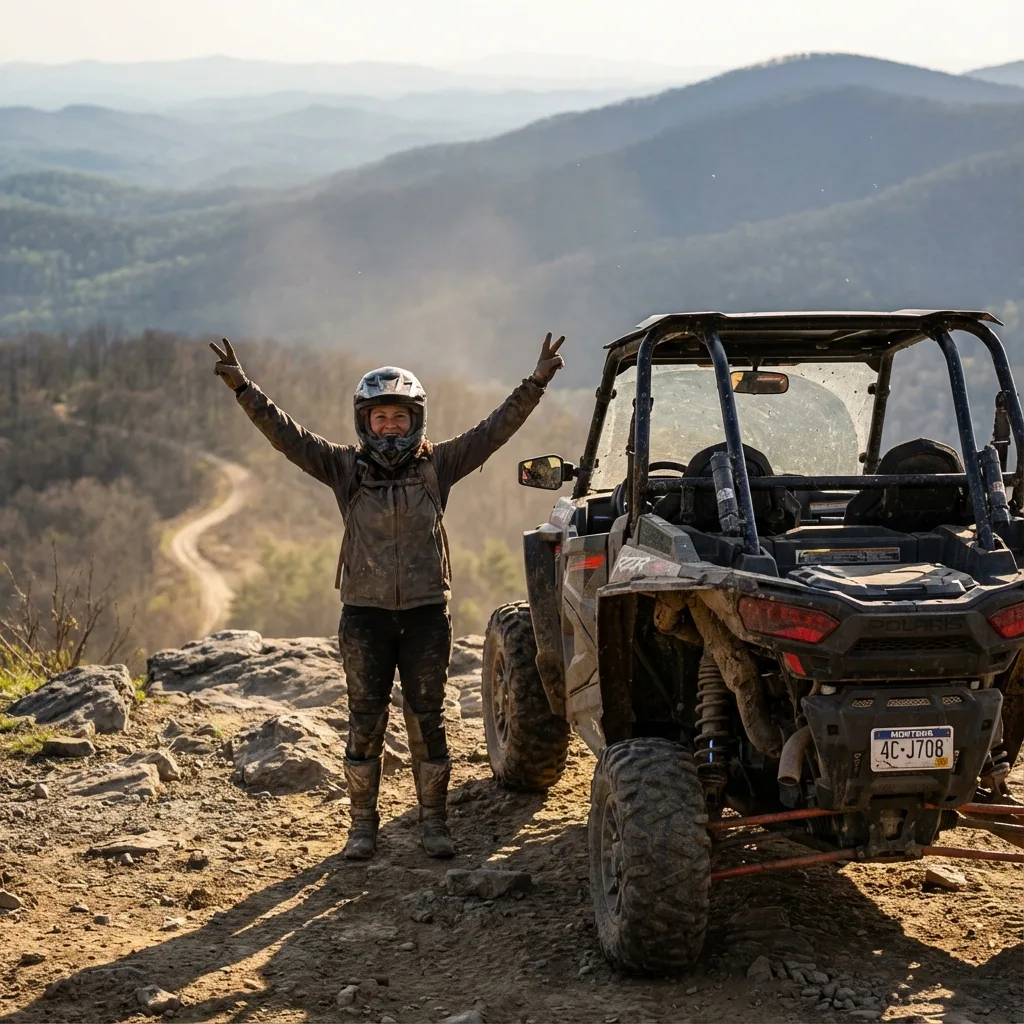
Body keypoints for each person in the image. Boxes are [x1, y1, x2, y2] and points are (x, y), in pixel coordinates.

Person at [210, 334, 566, 859]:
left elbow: (493, 432)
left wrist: (535, 383)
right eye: (381, 418)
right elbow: (288, 436)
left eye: (399, 417)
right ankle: (362, 827)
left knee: (429, 718)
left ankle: (434, 825)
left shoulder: (437, 466)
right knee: (364, 717)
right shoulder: (343, 469)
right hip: (364, 616)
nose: (390, 427)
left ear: (416, 419)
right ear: (364, 422)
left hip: (426, 614)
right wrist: (243, 387)